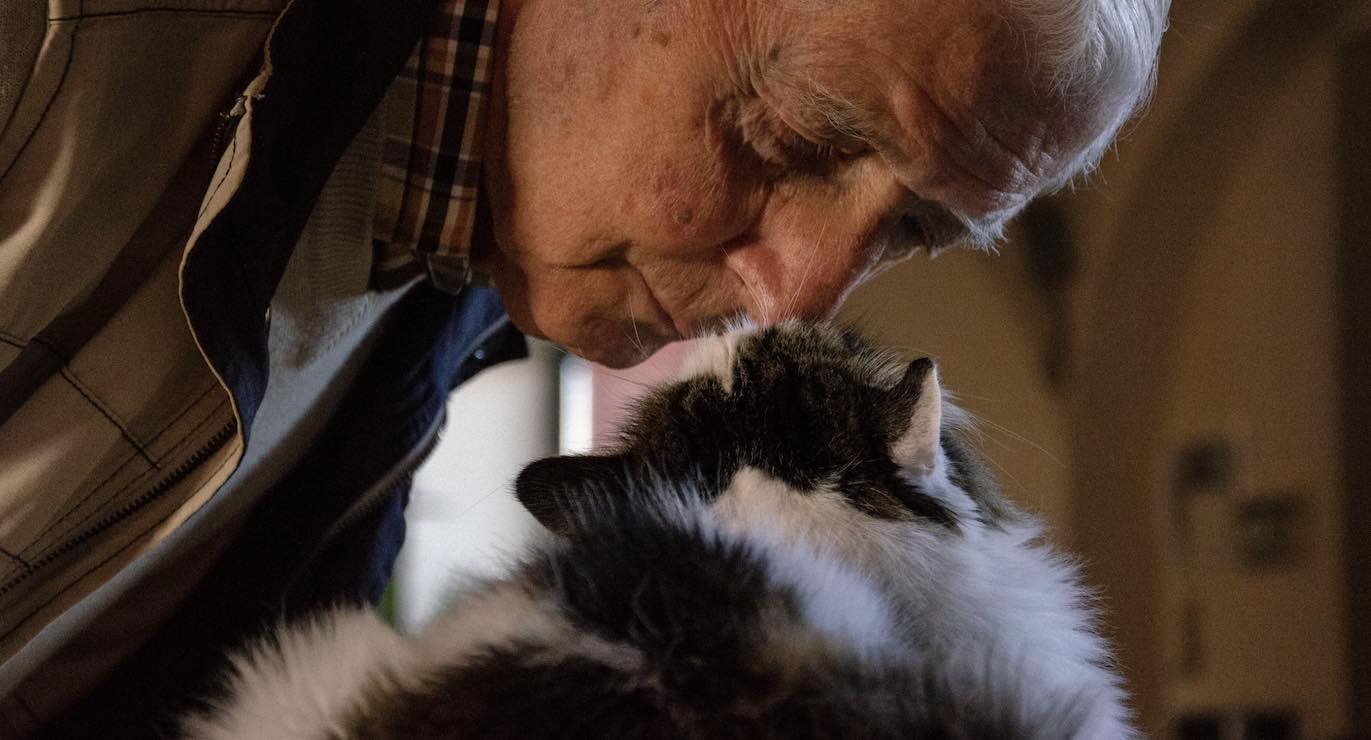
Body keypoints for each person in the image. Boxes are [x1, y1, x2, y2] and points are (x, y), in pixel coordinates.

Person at [0, 0, 1167, 734]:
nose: (795, 300)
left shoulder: (438, 293)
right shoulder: (62, 42)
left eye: (913, 229)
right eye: (801, 137)